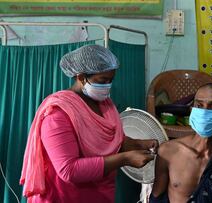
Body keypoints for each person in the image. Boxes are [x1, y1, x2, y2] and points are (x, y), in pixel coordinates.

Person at [20, 44, 158, 203]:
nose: (107, 86)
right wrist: (124, 159)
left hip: (100, 193)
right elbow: (69, 170)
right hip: (65, 196)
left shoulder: (105, 105)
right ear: (81, 77)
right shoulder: (57, 115)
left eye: (111, 80)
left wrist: (139, 144)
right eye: (102, 80)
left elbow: (112, 141)